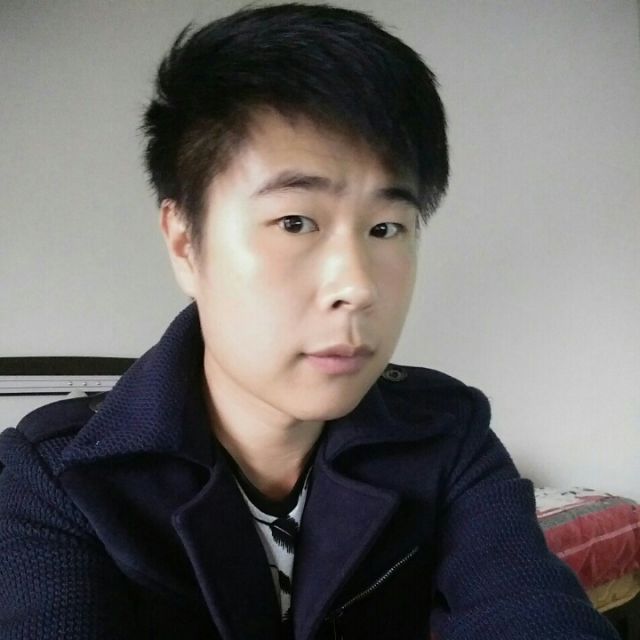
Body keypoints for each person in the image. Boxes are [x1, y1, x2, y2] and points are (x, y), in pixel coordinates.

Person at [0, 3, 620, 639]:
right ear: (185, 242)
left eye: (387, 228)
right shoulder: (60, 476)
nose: (357, 287)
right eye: (295, 222)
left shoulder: (446, 435)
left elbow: (526, 603)